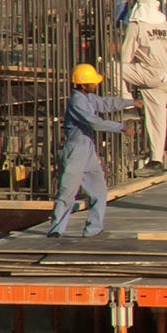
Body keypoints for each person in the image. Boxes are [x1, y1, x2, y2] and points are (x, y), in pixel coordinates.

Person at [48, 64, 138, 238]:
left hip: (87, 148)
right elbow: (93, 122)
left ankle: (94, 229)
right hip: (76, 150)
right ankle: (55, 231)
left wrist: (131, 102)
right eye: (92, 82)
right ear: (83, 85)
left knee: (99, 190)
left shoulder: (88, 97)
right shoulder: (77, 101)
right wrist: (121, 127)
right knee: (67, 192)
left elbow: (105, 103)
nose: (96, 84)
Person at [119, 0, 167, 176]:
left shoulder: (137, 23)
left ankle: (128, 106)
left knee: (112, 69)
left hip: (149, 74)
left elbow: (125, 57)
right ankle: (157, 160)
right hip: (166, 76)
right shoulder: (163, 24)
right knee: (157, 120)